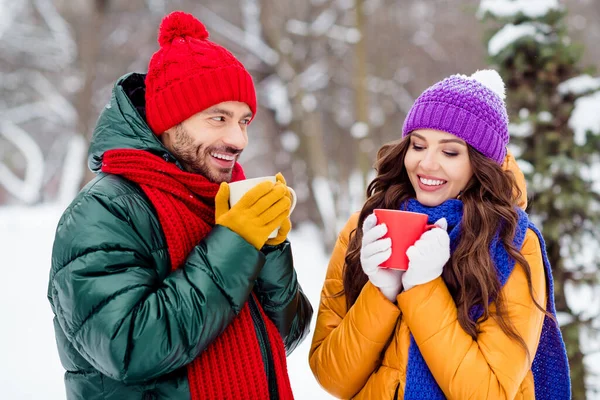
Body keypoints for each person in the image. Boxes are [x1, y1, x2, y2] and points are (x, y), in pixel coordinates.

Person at [48, 11, 312, 400]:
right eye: (218, 118)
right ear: (169, 122)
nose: (238, 140)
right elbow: (131, 349)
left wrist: (269, 247)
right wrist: (236, 243)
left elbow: (284, 338)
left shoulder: (221, 200)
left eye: (244, 121)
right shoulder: (102, 212)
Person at [308, 70, 570, 399]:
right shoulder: (365, 228)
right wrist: (381, 291)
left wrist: (422, 288)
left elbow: (489, 393)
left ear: (481, 164)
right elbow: (332, 378)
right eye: (418, 145)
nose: (426, 164)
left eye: (450, 152)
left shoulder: (511, 243)